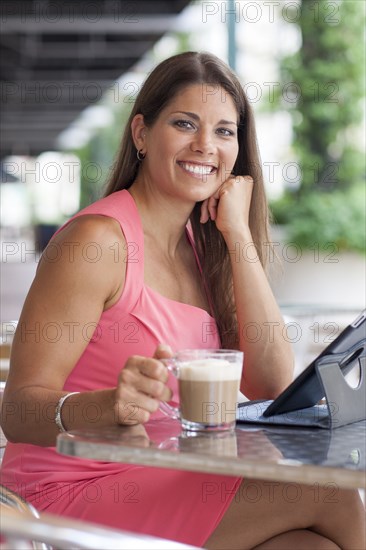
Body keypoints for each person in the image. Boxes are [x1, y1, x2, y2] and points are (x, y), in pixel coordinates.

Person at [1, 51, 364, 549]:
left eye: (223, 131)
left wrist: (236, 234)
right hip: (66, 493)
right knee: (331, 492)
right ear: (142, 134)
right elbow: (17, 410)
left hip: (163, 475)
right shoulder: (96, 242)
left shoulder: (201, 249)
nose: (204, 146)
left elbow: (274, 382)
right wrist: (104, 407)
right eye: (184, 123)